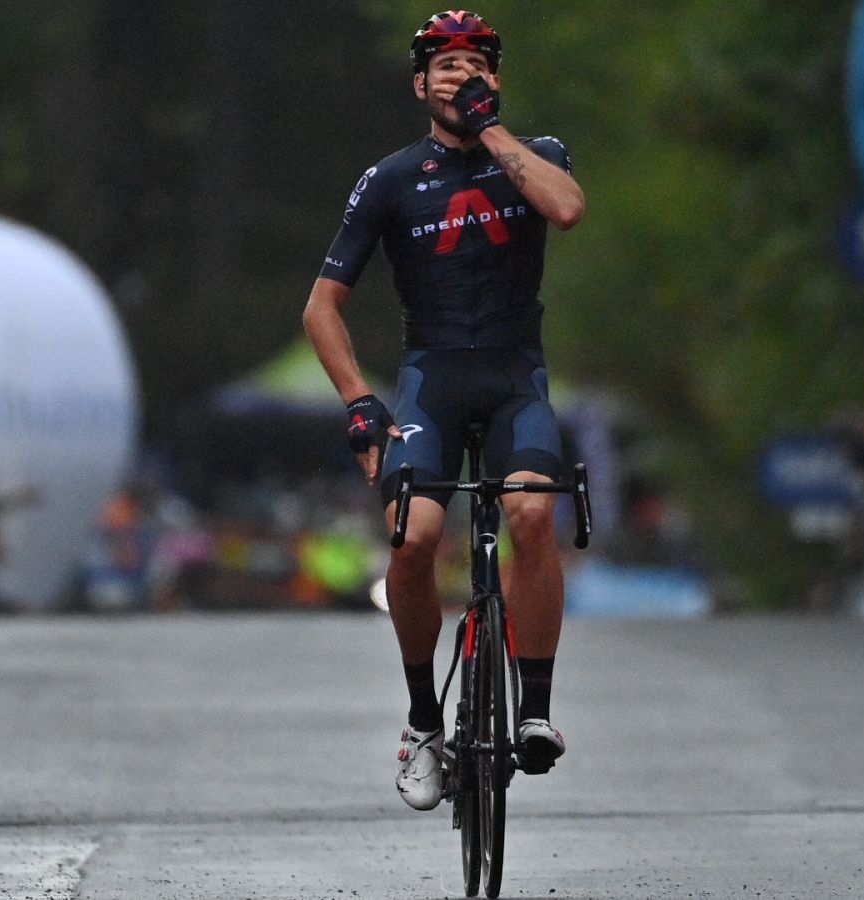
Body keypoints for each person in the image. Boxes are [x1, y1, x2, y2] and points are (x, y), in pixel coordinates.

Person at [302, 10, 585, 811]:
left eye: (476, 64)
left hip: (514, 380)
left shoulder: (536, 157)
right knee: (417, 535)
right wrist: (360, 403)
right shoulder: (390, 179)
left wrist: (493, 133)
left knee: (531, 517)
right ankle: (425, 722)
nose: (461, 76)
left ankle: (534, 712)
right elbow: (322, 307)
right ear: (420, 83)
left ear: (495, 79)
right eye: (445, 66)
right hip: (430, 381)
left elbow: (565, 209)